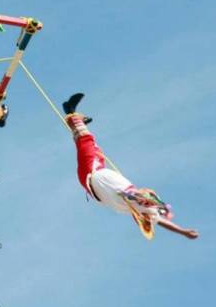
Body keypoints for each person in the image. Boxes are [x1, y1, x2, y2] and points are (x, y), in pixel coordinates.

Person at [62, 93, 199, 240]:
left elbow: (156, 216)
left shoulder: (135, 204)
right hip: (95, 173)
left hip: (91, 174)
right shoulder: (135, 203)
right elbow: (159, 219)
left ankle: (71, 113)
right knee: (90, 146)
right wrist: (183, 231)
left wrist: (181, 230)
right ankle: (75, 119)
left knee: (87, 141)